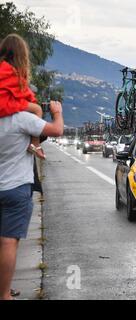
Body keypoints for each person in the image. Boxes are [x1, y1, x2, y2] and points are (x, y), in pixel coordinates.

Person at [0, 39, 64, 301]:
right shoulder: (22, 118)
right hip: (15, 186)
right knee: (8, 242)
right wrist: (57, 112)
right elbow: (57, 130)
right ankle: (4, 294)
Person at [0, 34, 46, 159]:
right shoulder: (13, 71)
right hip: (4, 103)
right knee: (37, 109)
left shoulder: (2, 67)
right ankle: (35, 144)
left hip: (4, 99)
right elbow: (21, 92)